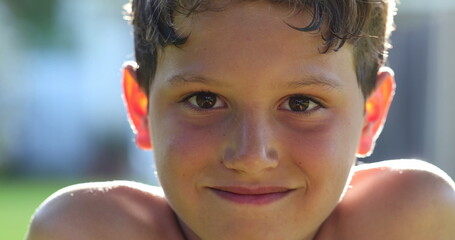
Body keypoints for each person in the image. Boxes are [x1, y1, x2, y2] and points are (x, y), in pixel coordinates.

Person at [27, 0, 455, 239]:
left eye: (301, 104)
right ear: (141, 107)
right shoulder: (89, 232)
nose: (251, 155)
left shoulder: (408, 220)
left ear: (370, 115)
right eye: (205, 99)